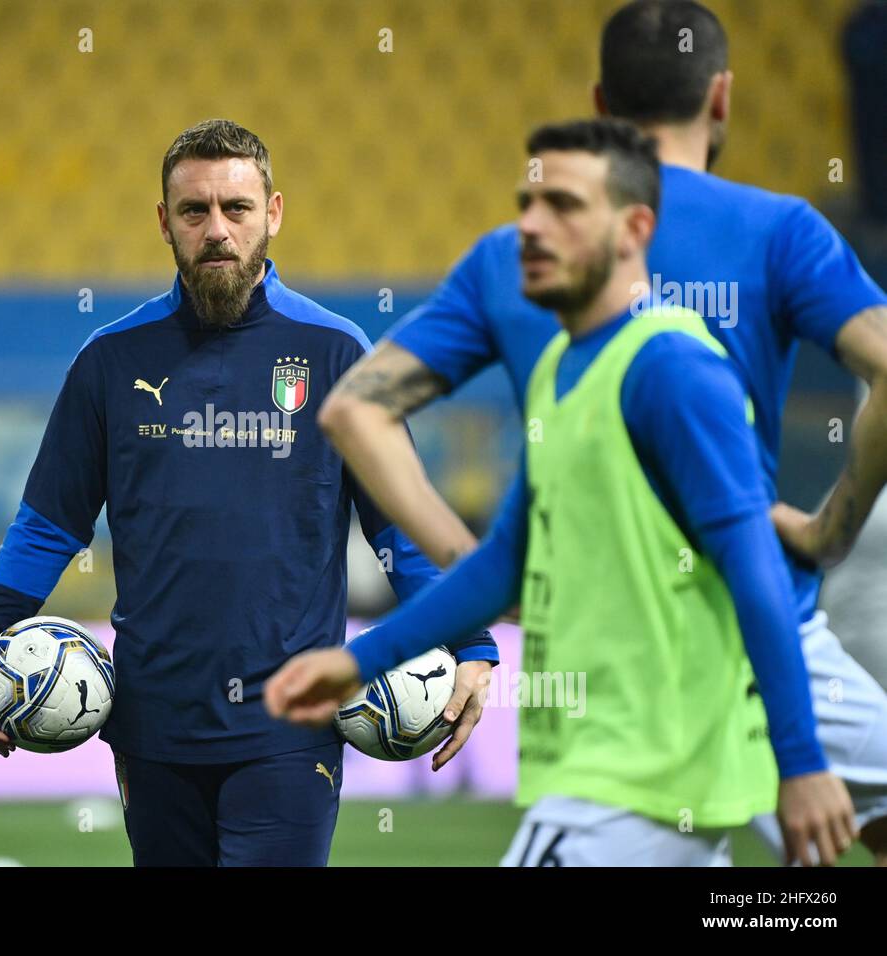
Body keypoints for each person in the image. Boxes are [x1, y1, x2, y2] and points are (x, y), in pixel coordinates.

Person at [315, 0, 887, 865]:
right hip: (769, 634)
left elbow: (355, 409)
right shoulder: (780, 231)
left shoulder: (515, 254)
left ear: (598, 103)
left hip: (613, 669)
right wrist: (829, 526)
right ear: (723, 97)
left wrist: (478, 571)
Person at [0, 119, 496, 867]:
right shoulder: (109, 361)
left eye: (236, 209)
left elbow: (400, 528)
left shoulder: (336, 353)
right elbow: (49, 527)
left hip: (290, 731)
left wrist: (472, 639)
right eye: (194, 211)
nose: (216, 230)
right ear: (164, 222)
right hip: (152, 728)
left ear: (272, 214)